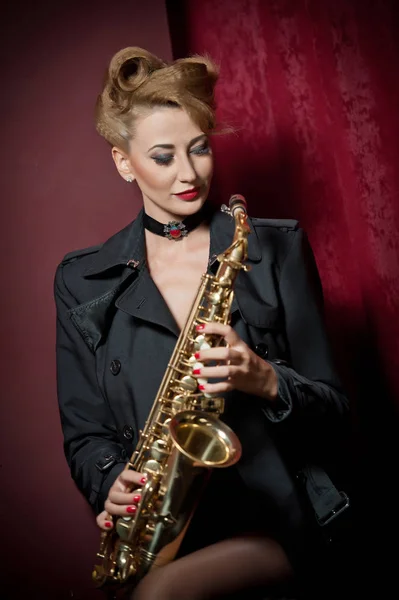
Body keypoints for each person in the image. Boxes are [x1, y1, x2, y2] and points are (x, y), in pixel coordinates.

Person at [54, 46, 352, 600]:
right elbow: (85, 434)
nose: (189, 174)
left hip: (279, 516)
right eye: (163, 157)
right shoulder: (81, 282)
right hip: (164, 527)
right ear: (123, 161)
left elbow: (340, 414)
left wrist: (264, 378)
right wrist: (109, 480)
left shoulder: (273, 248)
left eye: (199, 149)